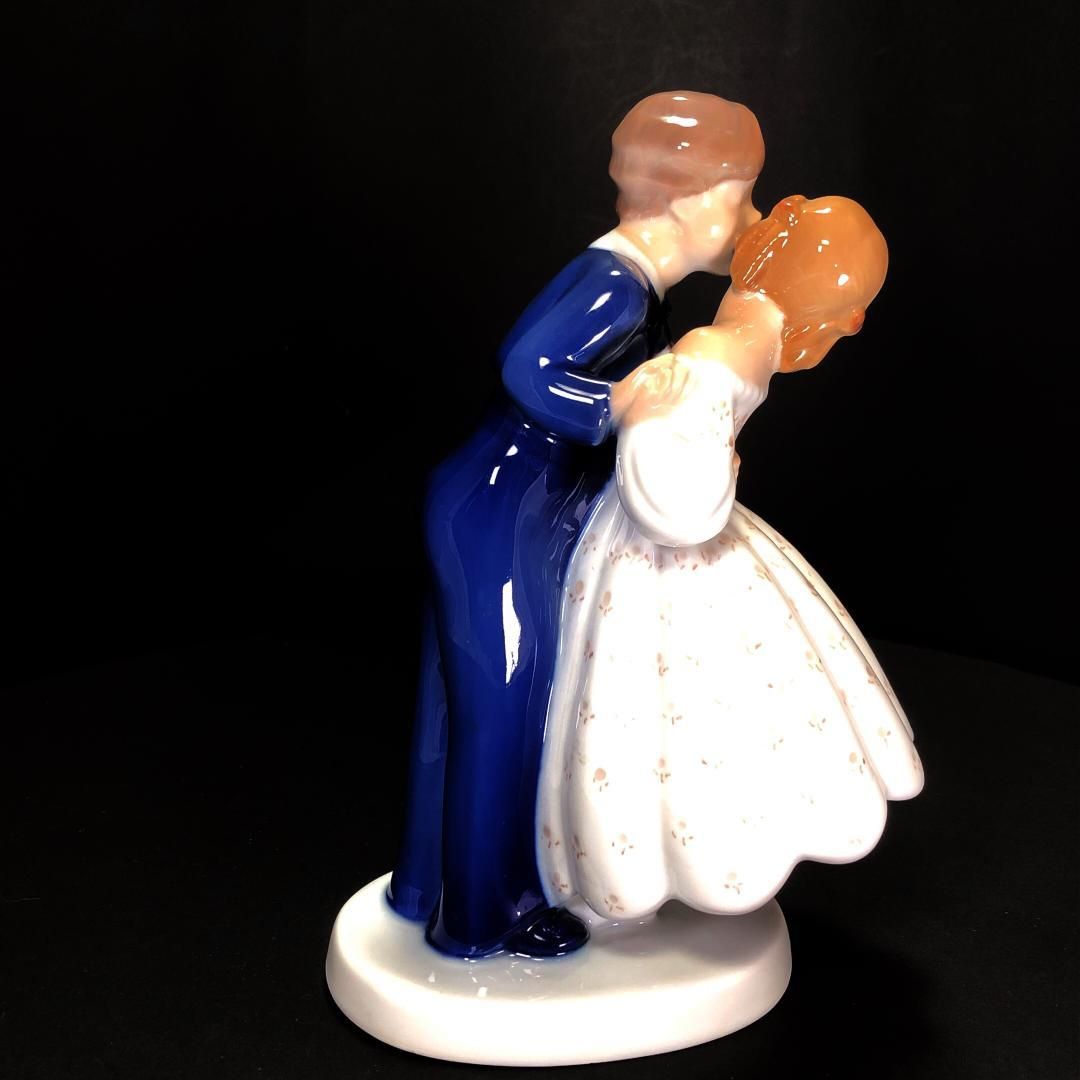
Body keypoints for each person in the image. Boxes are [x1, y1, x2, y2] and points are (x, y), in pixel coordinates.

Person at [387, 92, 766, 957]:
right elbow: (526, 365)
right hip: (500, 511)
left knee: (459, 709)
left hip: (498, 505)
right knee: (507, 709)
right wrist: (614, 404)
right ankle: (484, 919)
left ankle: (425, 885)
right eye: (741, 196)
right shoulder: (617, 288)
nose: (749, 219)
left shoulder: (635, 287)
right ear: (683, 197)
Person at [536, 195, 924, 921]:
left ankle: (678, 861)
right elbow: (670, 505)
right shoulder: (716, 361)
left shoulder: (737, 347)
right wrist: (717, 472)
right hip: (656, 558)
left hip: (682, 526)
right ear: (836, 321)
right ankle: (628, 878)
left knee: (707, 716)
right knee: (661, 710)